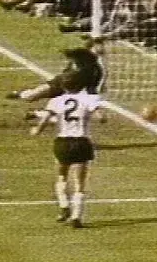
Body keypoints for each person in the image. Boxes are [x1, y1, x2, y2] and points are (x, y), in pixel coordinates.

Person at [29, 71, 102, 228]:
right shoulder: (88, 99)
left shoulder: (56, 101)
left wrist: (37, 130)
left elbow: (45, 119)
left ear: (63, 86)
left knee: (61, 176)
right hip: (81, 141)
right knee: (80, 182)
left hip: (63, 142)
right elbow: (101, 117)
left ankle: (64, 206)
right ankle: (76, 216)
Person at [6, 36, 106, 102]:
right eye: (100, 45)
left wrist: (94, 98)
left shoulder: (96, 69)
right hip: (58, 83)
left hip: (72, 91)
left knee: (62, 111)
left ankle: (36, 114)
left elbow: (91, 88)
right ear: (92, 46)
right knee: (31, 97)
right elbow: (71, 53)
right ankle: (20, 94)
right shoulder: (82, 55)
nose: (103, 47)